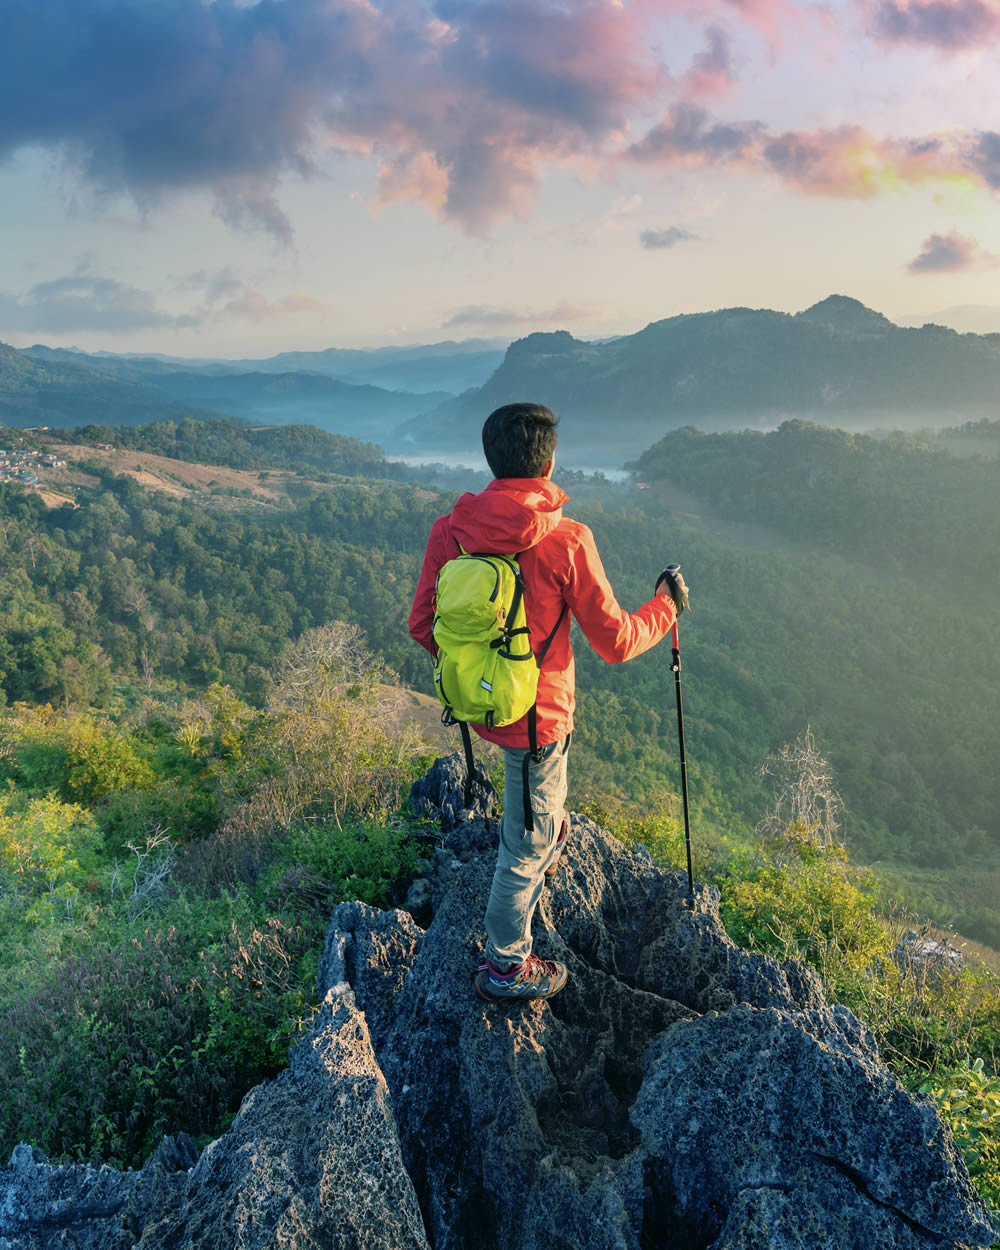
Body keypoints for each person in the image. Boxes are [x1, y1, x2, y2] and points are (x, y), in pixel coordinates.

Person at [409, 403, 686, 1002]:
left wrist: (479, 672)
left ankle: (545, 832)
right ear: (549, 461)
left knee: (537, 809)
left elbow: (422, 624)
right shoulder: (568, 540)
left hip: (483, 708)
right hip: (540, 720)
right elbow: (614, 642)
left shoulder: (450, 531)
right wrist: (665, 607)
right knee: (522, 846)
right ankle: (506, 968)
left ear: (491, 459)